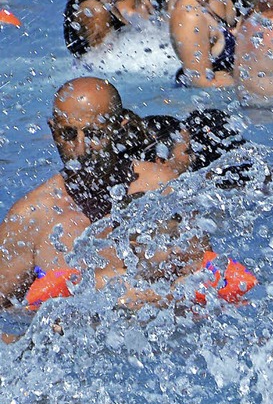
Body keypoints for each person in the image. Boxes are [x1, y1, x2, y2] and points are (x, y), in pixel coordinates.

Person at [0, 77, 178, 307]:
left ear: (119, 129)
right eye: (69, 134)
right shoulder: (30, 217)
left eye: (95, 134)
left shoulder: (160, 188)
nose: (81, 149)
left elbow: (206, 276)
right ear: (54, 132)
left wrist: (153, 299)